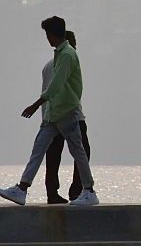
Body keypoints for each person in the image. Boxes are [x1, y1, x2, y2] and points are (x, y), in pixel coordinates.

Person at [0, 16, 98, 206]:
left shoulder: (68, 55)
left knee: (78, 152)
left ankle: (89, 191)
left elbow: (55, 87)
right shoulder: (59, 56)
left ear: (54, 34)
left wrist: (36, 105)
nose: (47, 38)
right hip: (53, 115)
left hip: (67, 113)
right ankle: (22, 188)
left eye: (47, 34)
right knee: (39, 151)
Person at [42, 30, 91, 204]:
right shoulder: (68, 61)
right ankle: (78, 190)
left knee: (53, 156)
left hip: (50, 116)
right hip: (72, 116)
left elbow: (45, 91)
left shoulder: (48, 65)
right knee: (82, 151)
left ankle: (52, 192)